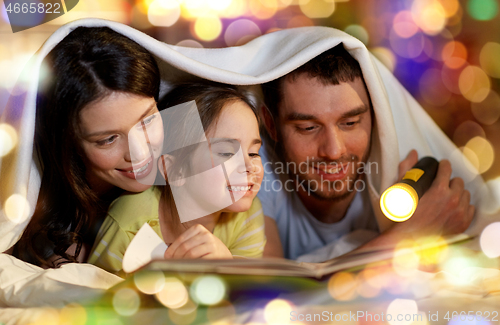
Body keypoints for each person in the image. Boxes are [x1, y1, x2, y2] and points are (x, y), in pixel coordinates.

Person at [259, 44, 476, 261]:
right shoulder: (252, 167)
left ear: (375, 116)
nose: (334, 151)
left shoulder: (405, 172)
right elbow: (265, 284)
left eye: (350, 123)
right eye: (308, 128)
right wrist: (408, 237)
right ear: (271, 125)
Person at [11, 26, 163, 267]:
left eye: (147, 120)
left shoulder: (197, 159)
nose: (140, 153)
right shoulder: (39, 223)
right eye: (108, 139)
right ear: (69, 142)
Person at [88, 83, 271, 275]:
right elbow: (93, 292)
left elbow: (248, 295)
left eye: (253, 153)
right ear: (175, 170)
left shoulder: (248, 215)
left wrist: (225, 267)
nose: (250, 167)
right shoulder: (129, 224)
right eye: (226, 153)